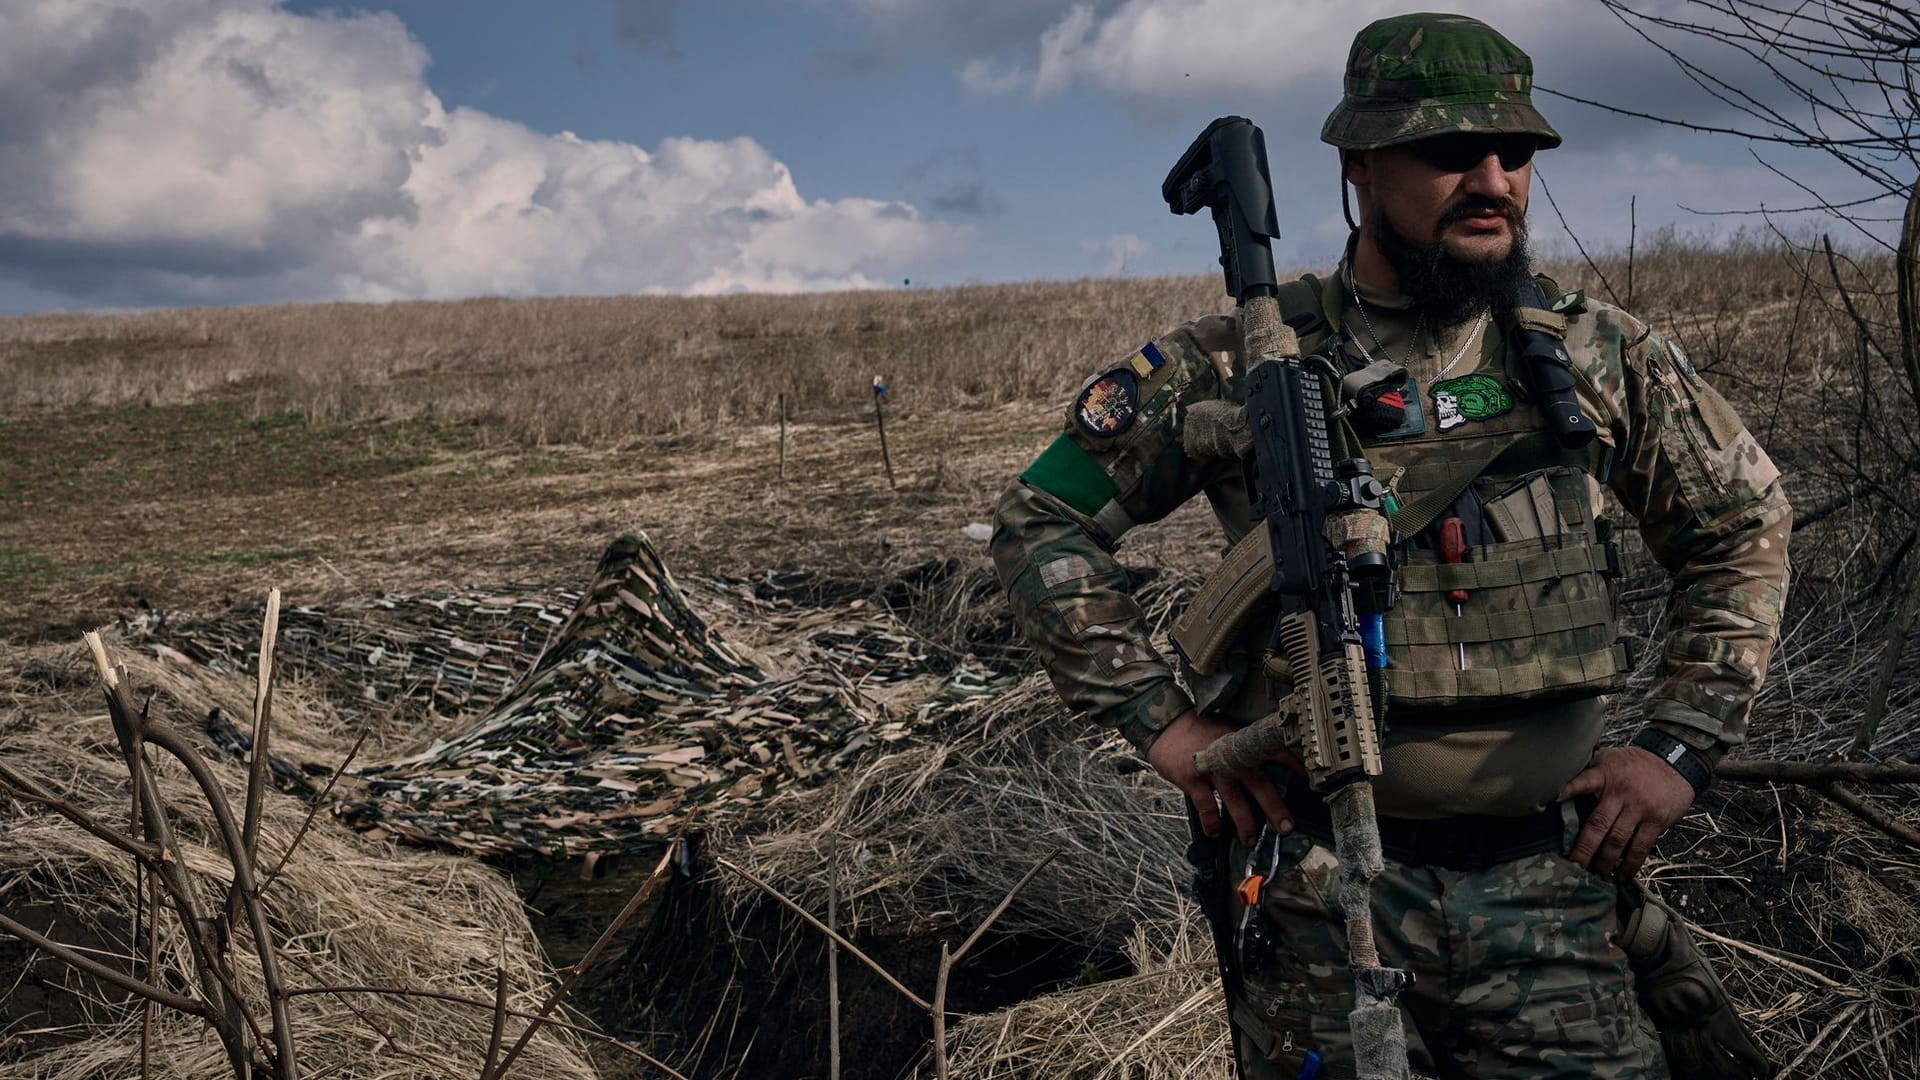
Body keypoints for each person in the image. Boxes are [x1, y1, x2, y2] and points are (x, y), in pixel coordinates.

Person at [989, 12, 1789, 1080]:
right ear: (1358, 163)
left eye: (1517, 154)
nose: (1495, 179)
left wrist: (1680, 745)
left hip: (1546, 894)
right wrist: (1164, 727)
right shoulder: (1244, 361)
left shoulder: (1596, 355)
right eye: (1453, 153)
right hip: (1322, 902)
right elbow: (1041, 522)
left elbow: (1742, 527)